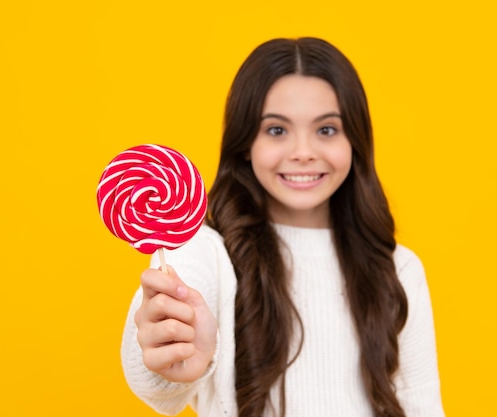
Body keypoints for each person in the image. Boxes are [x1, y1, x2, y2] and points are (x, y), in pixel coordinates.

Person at [121, 37, 445, 417]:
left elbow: (423, 408)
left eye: (326, 130)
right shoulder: (204, 251)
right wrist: (169, 357)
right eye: (277, 130)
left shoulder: (399, 269)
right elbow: (157, 385)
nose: (303, 152)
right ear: (245, 143)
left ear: (354, 141)